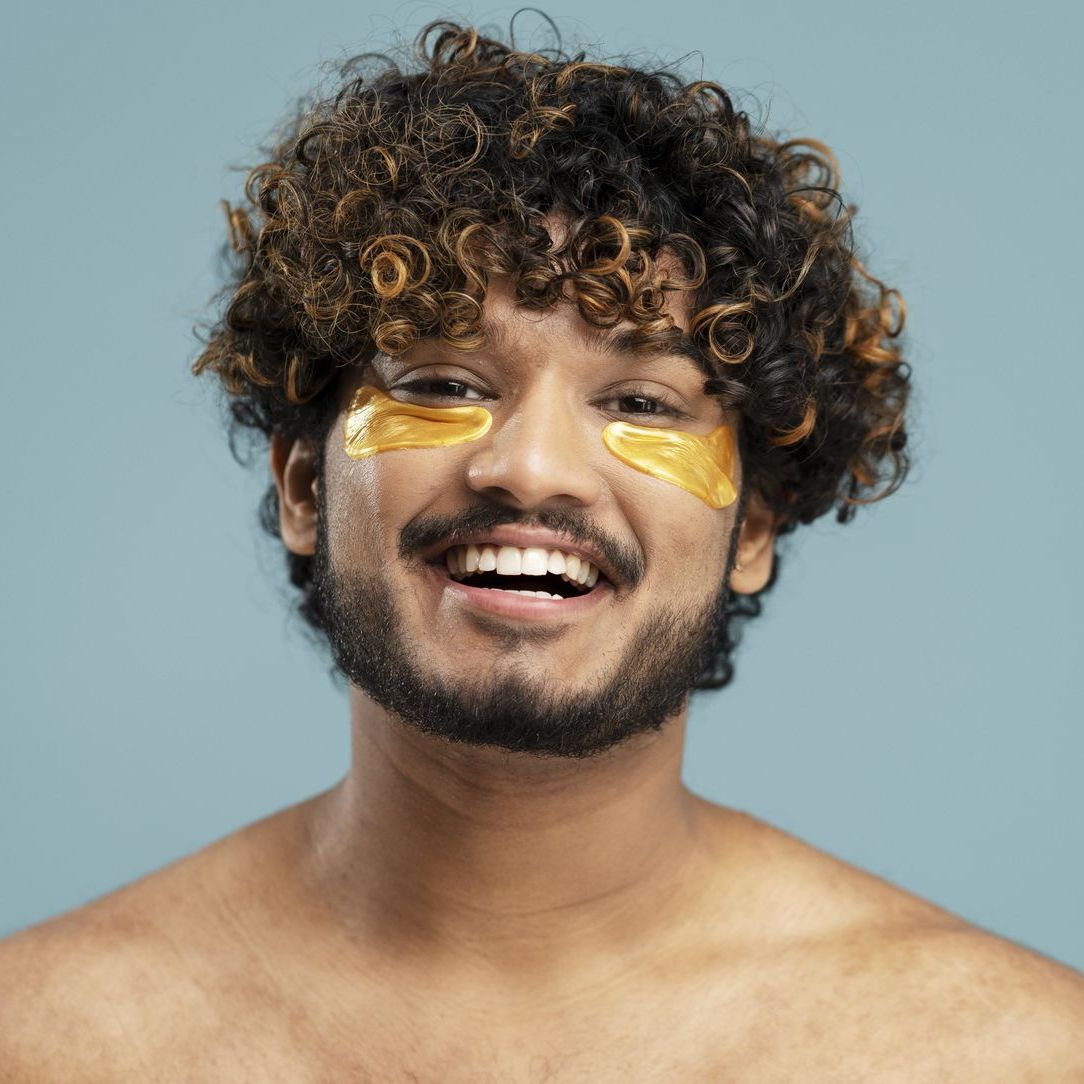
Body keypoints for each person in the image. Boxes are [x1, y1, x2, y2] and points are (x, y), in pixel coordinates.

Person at [2, 21, 1082, 1081]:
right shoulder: (41, 1040)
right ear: (303, 485)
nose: (531, 468)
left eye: (643, 401)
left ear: (752, 525)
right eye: (441, 384)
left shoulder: (1010, 1054)